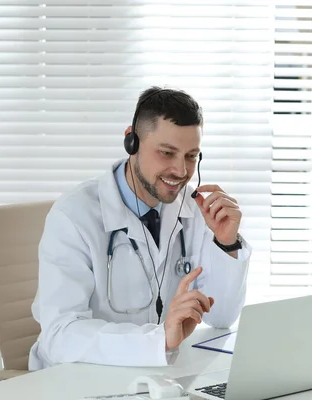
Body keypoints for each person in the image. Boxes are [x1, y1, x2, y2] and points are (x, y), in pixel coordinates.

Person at [29, 87, 252, 369]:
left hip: (157, 379)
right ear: (131, 141)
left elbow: (220, 318)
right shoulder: (74, 215)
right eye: (167, 153)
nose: (181, 171)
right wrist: (158, 341)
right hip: (77, 379)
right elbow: (60, 336)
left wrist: (227, 244)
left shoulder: (195, 209)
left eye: (191, 156)